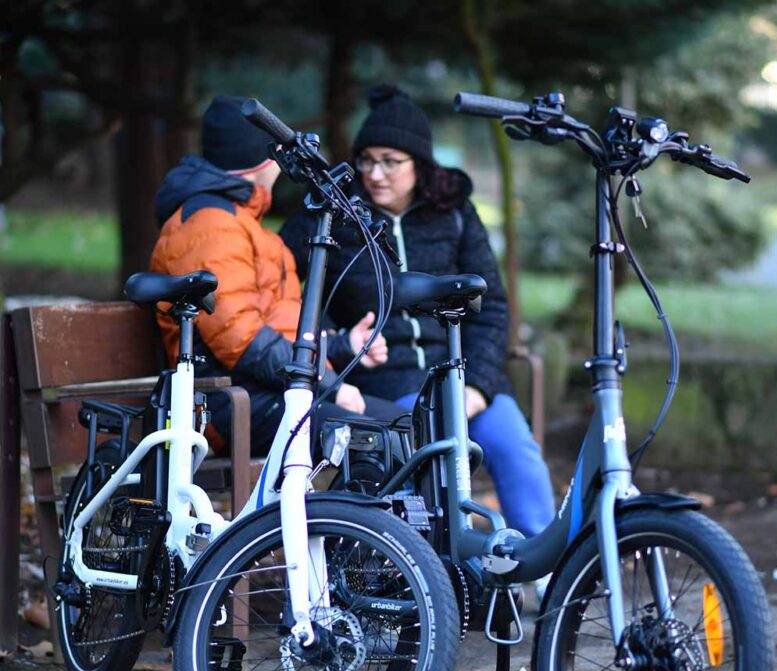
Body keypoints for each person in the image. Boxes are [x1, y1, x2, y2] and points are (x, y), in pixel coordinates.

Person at [281, 85, 555, 539]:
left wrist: (480, 388)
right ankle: (449, 575)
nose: (375, 174)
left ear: (419, 164)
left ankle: (545, 580)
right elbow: (278, 285)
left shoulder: (455, 213)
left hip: (466, 378)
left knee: (516, 447)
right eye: (367, 160)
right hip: (392, 384)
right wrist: (337, 341)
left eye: (391, 161)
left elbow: (493, 308)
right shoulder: (337, 213)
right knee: (430, 453)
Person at [150, 94, 399, 455]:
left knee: (406, 431)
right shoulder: (211, 226)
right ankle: (343, 515)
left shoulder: (244, 224)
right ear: (262, 158)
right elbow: (242, 339)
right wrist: (327, 381)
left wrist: (344, 345)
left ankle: (351, 514)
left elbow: (270, 325)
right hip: (227, 404)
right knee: (375, 441)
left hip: (265, 391)